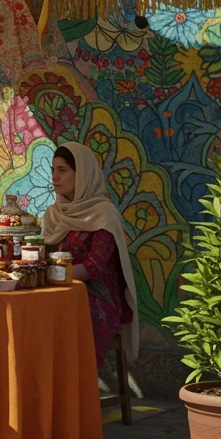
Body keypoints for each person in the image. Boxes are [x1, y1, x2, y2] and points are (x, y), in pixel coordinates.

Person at [44, 141, 139, 369]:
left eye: (63, 170)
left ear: (83, 174)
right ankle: (43, 395)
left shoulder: (103, 214)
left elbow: (93, 267)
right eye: (53, 170)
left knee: (59, 322)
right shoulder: (54, 215)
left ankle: (74, 397)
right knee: (30, 316)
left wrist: (50, 274)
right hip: (59, 293)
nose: (55, 177)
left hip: (95, 299)